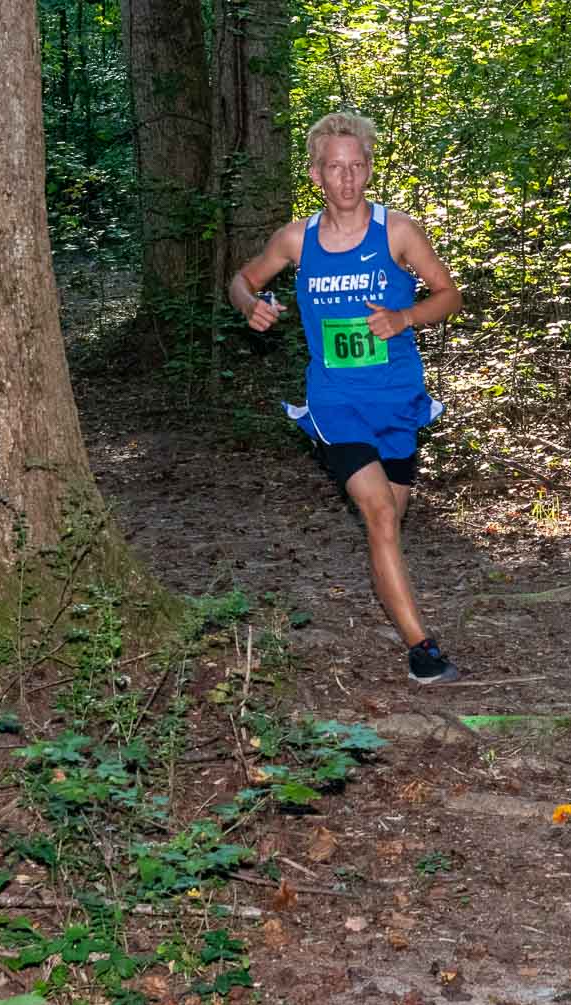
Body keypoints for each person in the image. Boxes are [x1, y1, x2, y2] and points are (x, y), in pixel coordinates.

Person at [229, 111, 465, 684]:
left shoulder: (398, 232)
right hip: (335, 401)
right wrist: (251, 306)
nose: (348, 178)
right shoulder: (297, 239)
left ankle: (392, 602)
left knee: (388, 527)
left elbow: (448, 295)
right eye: (335, 168)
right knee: (380, 514)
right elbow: (242, 280)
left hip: (398, 400)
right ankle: (422, 649)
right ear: (316, 174)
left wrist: (404, 316)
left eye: (357, 166)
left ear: (369, 169)